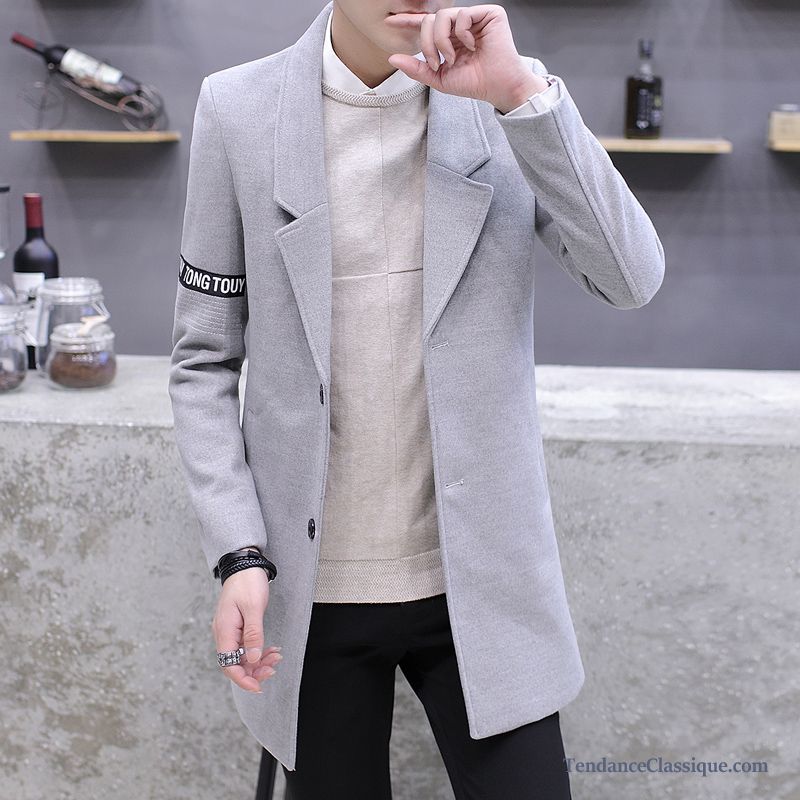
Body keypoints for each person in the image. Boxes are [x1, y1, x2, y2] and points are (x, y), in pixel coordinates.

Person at [168, 2, 665, 798]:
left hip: (483, 585)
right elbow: (203, 360)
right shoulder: (238, 108)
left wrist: (521, 97)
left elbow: (631, 278)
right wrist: (238, 552)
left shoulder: (504, 100)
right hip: (310, 590)